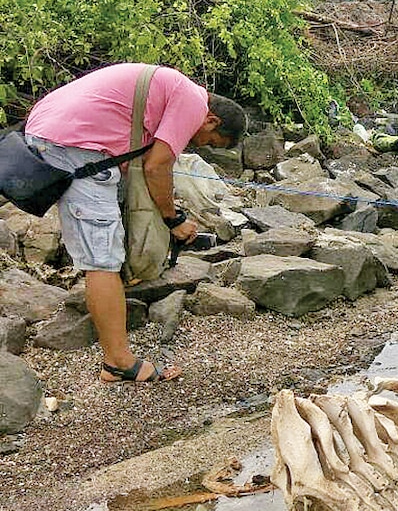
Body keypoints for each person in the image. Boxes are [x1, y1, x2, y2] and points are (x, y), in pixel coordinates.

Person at [23, 63, 246, 383]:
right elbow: (156, 167)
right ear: (212, 120)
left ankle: (116, 295)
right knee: (101, 259)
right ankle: (117, 362)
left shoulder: (175, 88)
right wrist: (174, 220)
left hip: (56, 130)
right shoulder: (193, 103)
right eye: (211, 141)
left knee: (111, 231)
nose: (201, 146)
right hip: (71, 147)